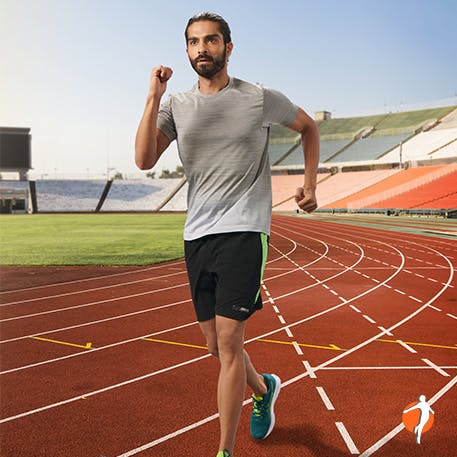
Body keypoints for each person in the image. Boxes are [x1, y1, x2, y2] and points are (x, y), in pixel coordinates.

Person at [135, 12, 319, 457]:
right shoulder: (175, 104)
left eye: (212, 40)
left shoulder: (258, 98)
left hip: (244, 230)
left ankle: (224, 451)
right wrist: (152, 95)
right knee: (214, 344)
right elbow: (143, 159)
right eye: (194, 42)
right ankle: (264, 388)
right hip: (197, 235)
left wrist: (310, 184)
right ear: (187, 51)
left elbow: (309, 127)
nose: (203, 48)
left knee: (231, 341)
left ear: (228, 48)